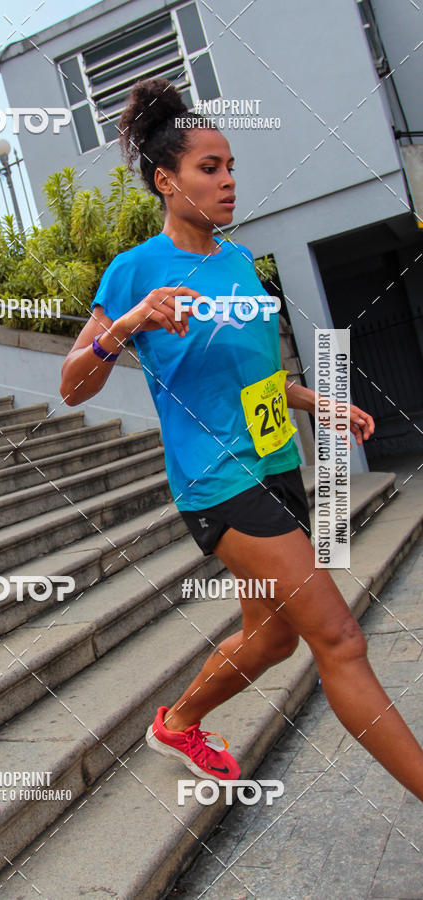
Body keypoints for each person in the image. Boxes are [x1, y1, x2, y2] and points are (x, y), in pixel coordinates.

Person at [59, 77, 423, 801]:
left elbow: (254, 375)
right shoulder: (134, 271)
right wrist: (128, 325)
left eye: (230, 167)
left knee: (274, 635)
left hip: (279, 465)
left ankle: (180, 722)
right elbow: (71, 382)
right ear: (166, 181)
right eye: (208, 168)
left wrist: (318, 401)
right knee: (339, 641)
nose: (227, 181)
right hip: (218, 482)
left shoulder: (235, 262)